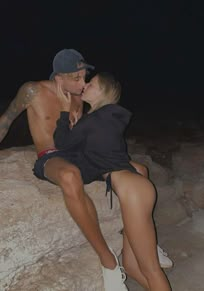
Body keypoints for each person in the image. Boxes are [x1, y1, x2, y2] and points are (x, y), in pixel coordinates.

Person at [0, 49, 172, 290]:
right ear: (60, 77)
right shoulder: (33, 90)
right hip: (52, 156)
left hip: (79, 155)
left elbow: (86, 138)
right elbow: (5, 121)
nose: (82, 84)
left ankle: (140, 239)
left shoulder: (80, 99)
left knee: (140, 170)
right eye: (77, 78)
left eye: (85, 78)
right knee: (70, 176)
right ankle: (107, 259)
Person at [49, 72, 171, 290]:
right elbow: (93, 153)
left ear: (103, 92)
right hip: (135, 184)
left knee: (151, 270)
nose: (85, 85)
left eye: (91, 84)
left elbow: (62, 144)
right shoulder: (108, 119)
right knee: (132, 268)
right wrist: (78, 127)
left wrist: (64, 111)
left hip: (132, 190)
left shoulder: (95, 120)